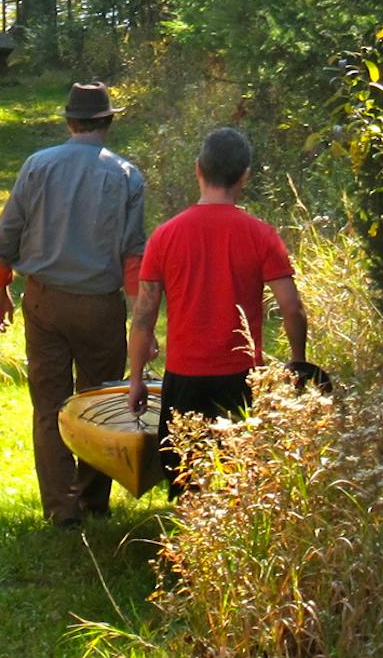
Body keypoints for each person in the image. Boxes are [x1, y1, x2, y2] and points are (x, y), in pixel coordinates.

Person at [0, 81, 147, 528]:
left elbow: (7, 238)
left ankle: (61, 507)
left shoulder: (37, 166)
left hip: (44, 303)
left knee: (50, 404)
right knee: (100, 404)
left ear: (69, 121)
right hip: (100, 305)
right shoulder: (126, 176)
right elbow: (132, 255)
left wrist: (1, 292)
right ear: (108, 123)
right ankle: (94, 499)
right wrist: (140, 321)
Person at [126, 126, 308, 492]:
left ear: (198, 169)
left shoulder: (165, 235)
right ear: (245, 176)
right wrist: (298, 362)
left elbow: (144, 315)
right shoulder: (261, 235)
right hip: (240, 378)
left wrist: (136, 378)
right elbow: (292, 310)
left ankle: (193, 545)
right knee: (240, 478)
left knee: (186, 478)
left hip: (183, 377)